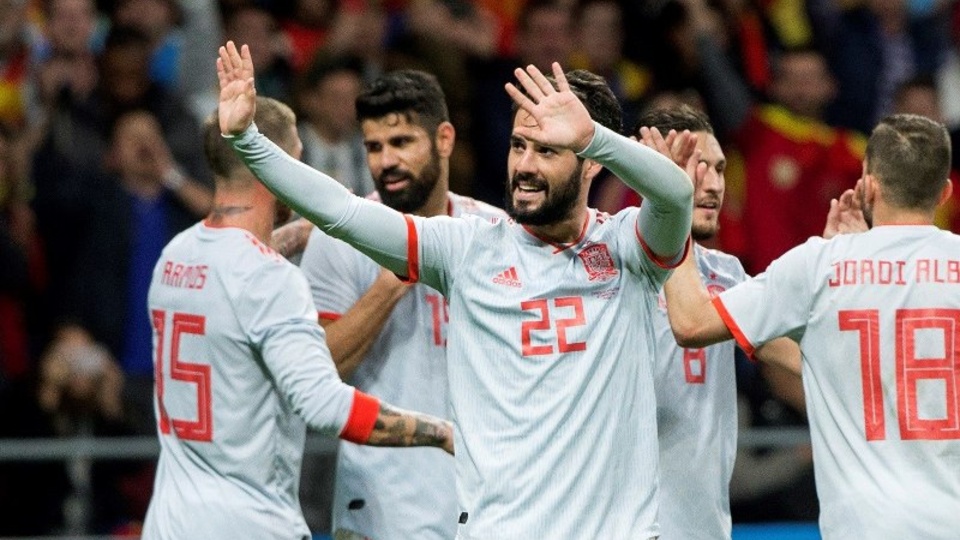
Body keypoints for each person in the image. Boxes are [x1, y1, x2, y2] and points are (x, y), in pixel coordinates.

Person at [219, 40, 695, 538]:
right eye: (518, 146)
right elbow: (343, 212)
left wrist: (593, 136)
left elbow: (674, 193)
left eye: (548, 150)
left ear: (591, 160)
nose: (525, 167)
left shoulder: (628, 249)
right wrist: (248, 139)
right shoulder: (466, 250)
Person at [141, 95, 454, 540]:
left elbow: (235, 274)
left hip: (171, 521)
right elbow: (325, 406)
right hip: (249, 523)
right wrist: (441, 432)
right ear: (275, 168)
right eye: (299, 166)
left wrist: (295, 233)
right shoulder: (273, 280)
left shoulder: (176, 257)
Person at [663, 113, 960, 539]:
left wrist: (669, 205)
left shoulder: (820, 266)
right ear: (945, 192)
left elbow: (691, 323)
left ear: (869, 184)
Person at [299, 69, 505, 540]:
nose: (386, 160)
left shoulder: (494, 234)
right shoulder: (341, 238)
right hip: (380, 500)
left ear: (445, 138)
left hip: (489, 495)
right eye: (374, 147)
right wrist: (391, 282)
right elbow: (315, 370)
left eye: (402, 142)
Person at [639, 105, 802, 539]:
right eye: (695, 167)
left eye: (720, 169)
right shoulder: (608, 268)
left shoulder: (726, 274)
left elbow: (798, 358)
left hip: (703, 527)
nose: (712, 185)